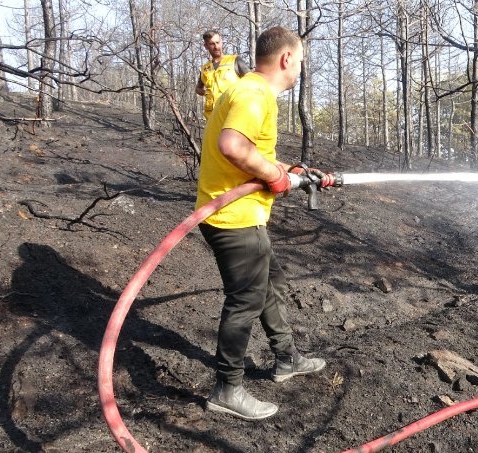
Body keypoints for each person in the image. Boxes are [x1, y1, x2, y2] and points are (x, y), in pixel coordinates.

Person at [195, 26, 334, 421]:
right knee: (245, 300)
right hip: (232, 219)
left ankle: (286, 358)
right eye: (301, 61)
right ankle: (227, 388)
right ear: (287, 59)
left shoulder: (249, 91)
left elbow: (252, 152)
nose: (300, 68)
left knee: (269, 284)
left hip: (242, 215)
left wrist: (293, 171)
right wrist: (275, 179)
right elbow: (233, 147)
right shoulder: (255, 94)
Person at [196, 30, 250, 120]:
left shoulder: (234, 60)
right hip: (212, 118)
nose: (216, 47)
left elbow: (251, 81)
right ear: (206, 46)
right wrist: (207, 93)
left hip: (233, 115)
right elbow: (198, 88)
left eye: (218, 42)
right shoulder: (205, 68)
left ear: (221, 42)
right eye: (212, 44)